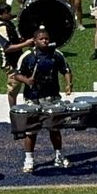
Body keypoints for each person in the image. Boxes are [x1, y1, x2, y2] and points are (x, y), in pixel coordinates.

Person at [12, 27, 74, 173]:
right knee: (31, 131)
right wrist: (27, 81)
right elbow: (17, 74)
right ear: (35, 41)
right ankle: (29, 159)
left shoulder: (56, 54)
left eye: (46, 38)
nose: (45, 41)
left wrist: (68, 84)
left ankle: (59, 155)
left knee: (55, 128)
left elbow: (66, 70)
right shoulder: (27, 57)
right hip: (33, 99)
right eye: (42, 39)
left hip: (52, 97)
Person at [0, 3, 33, 107]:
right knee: (13, 87)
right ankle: (13, 110)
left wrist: (22, 40)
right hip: (10, 62)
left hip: (17, 58)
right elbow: (7, 48)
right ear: (0, 14)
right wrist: (26, 44)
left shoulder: (8, 23)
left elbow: (14, 40)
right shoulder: (1, 27)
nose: (10, 14)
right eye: (7, 13)